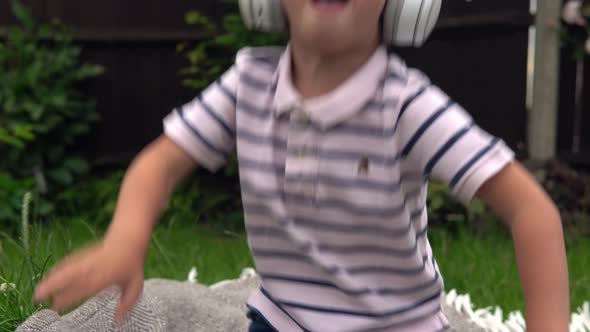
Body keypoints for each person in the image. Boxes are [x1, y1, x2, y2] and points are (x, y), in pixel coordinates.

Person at [33, 0, 570, 331]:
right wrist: (124, 242)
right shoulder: (247, 86)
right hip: (281, 320)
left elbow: (532, 213)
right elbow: (160, 164)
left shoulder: (407, 107)